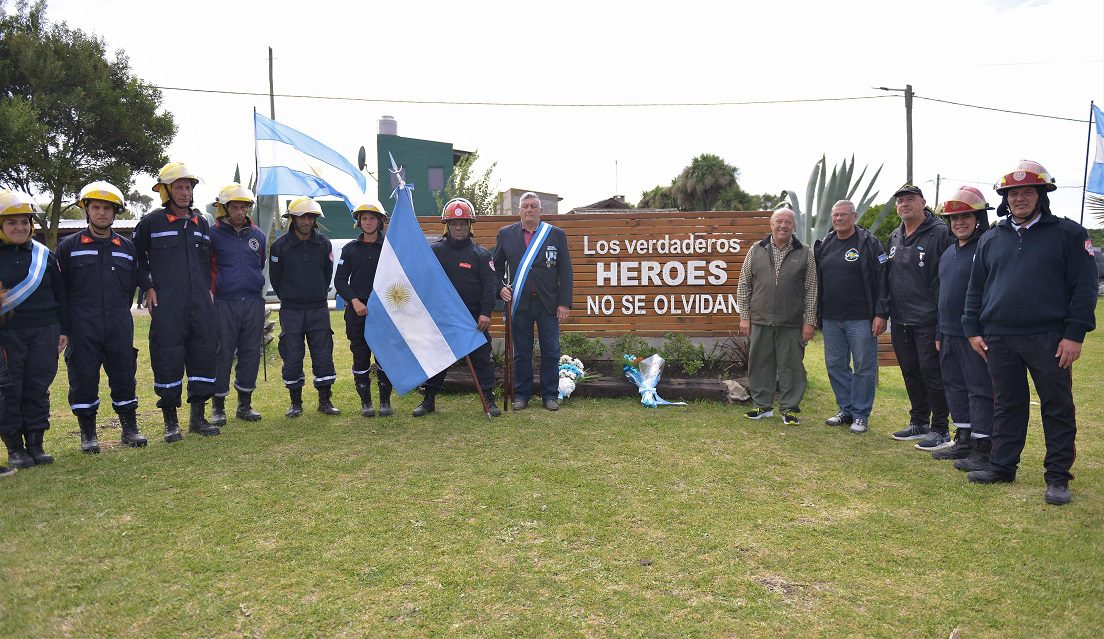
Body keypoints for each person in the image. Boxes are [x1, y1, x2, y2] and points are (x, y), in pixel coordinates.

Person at [962, 161, 1098, 505]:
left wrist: (1075, 334)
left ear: (1041, 195)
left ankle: (1057, 478)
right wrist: (972, 327)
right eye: (1013, 193)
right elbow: (976, 287)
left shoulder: (1069, 234)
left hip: (1049, 338)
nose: (1019, 198)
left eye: (1027, 192)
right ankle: (1003, 466)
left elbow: (1084, 288)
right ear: (1005, 200)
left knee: (1057, 407)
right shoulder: (991, 237)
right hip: (999, 338)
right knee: (1007, 405)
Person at [56, 181, 146, 452]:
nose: (102, 213)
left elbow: (131, 286)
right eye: (96, 207)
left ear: (115, 212)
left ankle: (129, 429)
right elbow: (61, 290)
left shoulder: (127, 247)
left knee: (123, 374)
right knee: (83, 377)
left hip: (118, 322)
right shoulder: (68, 247)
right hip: (83, 324)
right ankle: (88, 434)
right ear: (86, 209)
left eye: (107, 208)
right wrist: (65, 327)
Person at [134, 162, 221, 441]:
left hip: (200, 303)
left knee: (203, 354)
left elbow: (211, 260)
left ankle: (198, 418)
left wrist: (209, 288)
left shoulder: (201, 223)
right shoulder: (151, 222)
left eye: (188, 187)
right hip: (168, 303)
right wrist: (148, 286)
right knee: (167, 357)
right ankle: (171, 423)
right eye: (179, 187)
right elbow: (136, 259)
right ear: (167, 192)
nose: (184, 193)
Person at [413, 198, 500, 417]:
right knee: (437, 358)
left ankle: (489, 400)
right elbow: (423, 281)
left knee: (483, 360)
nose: (458, 227)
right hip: (442, 318)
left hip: (473, 320)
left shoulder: (482, 255)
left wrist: (485, 313)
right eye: (454, 223)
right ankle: (429, 399)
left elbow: (489, 288)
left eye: (463, 223)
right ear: (447, 225)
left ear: (470, 225)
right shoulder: (434, 252)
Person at [0, 190, 68, 468]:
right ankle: (15, 448)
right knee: (9, 389)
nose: (20, 228)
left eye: (25, 222)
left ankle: (36, 444)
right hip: (8, 334)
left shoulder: (45, 255)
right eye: (12, 222)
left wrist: (64, 329)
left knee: (38, 387)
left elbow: (61, 295)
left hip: (46, 330)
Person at [928, 187, 994, 465]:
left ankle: (983, 447)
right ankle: (963, 439)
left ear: (978, 218)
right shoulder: (948, 253)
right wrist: (940, 331)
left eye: (965, 217)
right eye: (954, 219)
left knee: (979, 388)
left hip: (975, 335)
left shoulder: (987, 248)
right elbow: (943, 296)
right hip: (949, 333)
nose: (959, 223)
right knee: (954, 386)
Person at [884, 185, 954, 448]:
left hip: (929, 319)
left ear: (923, 202)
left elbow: (946, 277)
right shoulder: (895, 236)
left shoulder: (939, 233)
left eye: (910, 200)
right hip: (900, 319)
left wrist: (941, 319)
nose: (904, 204)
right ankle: (919, 421)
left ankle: (941, 429)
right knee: (910, 370)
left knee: (932, 373)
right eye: (900, 201)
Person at [736, 207, 817, 425]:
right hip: (760, 319)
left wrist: (809, 321)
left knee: (791, 366)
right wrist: (745, 317)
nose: (783, 226)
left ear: (794, 227)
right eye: (779, 221)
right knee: (760, 363)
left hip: (791, 321)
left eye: (788, 222)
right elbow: (744, 284)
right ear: (771, 224)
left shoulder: (805, 252)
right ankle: (763, 406)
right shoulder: (756, 249)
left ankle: (789, 409)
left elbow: (811, 289)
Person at [813, 200, 888, 434]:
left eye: (843, 215)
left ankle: (861, 414)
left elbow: (882, 280)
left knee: (864, 367)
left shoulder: (869, 243)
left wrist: (881, 313)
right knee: (836, 365)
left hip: (861, 319)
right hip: (831, 318)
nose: (838, 219)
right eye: (835, 215)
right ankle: (845, 409)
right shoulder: (824, 243)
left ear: (854, 216)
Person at [493, 192, 573, 411]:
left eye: (533, 206)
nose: (529, 210)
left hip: (548, 303)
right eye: (525, 206)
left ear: (541, 210)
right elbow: (495, 269)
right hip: (520, 303)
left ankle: (549, 395)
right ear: (519, 210)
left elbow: (565, 270)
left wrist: (564, 303)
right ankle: (522, 394)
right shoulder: (506, 234)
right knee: (521, 352)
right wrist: (500, 288)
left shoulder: (556, 234)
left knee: (551, 350)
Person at [269, 196, 339, 418]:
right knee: (292, 354)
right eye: (302, 217)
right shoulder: (280, 246)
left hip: (318, 308)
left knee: (323, 353)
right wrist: (291, 298)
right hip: (291, 310)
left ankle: (325, 400)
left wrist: (316, 294)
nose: (307, 222)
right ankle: (295, 402)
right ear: (292, 219)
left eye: (310, 217)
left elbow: (327, 274)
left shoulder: (323, 244)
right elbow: (275, 278)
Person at [208, 183, 266, 425]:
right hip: (224, 302)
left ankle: (245, 404)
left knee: (251, 352)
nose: (240, 211)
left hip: (252, 301)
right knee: (222, 352)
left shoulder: (258, 235)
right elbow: (206, 265)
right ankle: (218, 405)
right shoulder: (213, 234)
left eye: (243, 207)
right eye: (234, 207)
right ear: (224, 208)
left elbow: (260, 264)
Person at [334, 201, 393, 418]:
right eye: (364, 218)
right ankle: (366, 403)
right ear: (358, 222)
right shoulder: (350, 249)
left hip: (383, 312)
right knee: (360, 356)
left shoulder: (389, 248)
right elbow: (340, 280)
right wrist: (354, 300)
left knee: (384, 357)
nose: (368, 222)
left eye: (372, 218)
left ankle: (385, 402)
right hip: (357, 311)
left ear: (380, 221)